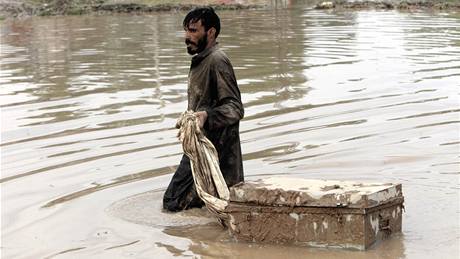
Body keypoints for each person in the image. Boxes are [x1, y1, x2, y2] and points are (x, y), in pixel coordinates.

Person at [163, 7, 244, 212]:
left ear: (211, 32)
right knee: (201, 202)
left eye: (193, 31)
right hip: (199, 146)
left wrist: (206, 116)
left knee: (173, 202)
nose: (187, 37)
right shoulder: (202, 60)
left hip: (215, 149)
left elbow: (235, 108)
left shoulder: (217, 60)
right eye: (186, 31)